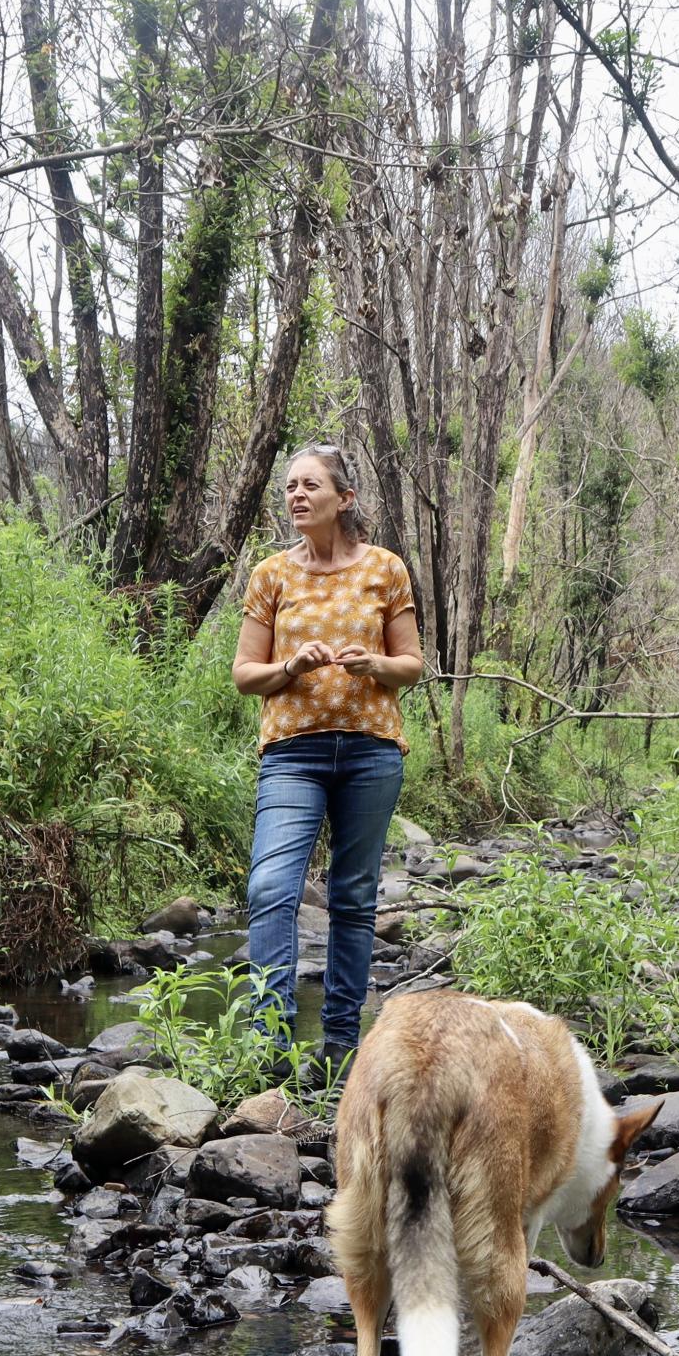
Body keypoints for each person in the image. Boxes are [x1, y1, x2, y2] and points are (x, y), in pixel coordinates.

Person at [231, 444, 426, 1086]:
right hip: (292, 754)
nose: (295, 495)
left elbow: (413, 666)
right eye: (289, 486)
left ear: (343, 498)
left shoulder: (385, 569)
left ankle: (341, 1043)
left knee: (351, 897)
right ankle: (271, 1041)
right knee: (270, 888)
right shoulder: (270, 576)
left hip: (371, 751)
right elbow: (244, 676)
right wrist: (290, 667)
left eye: (309, 485)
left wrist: (374, 664)